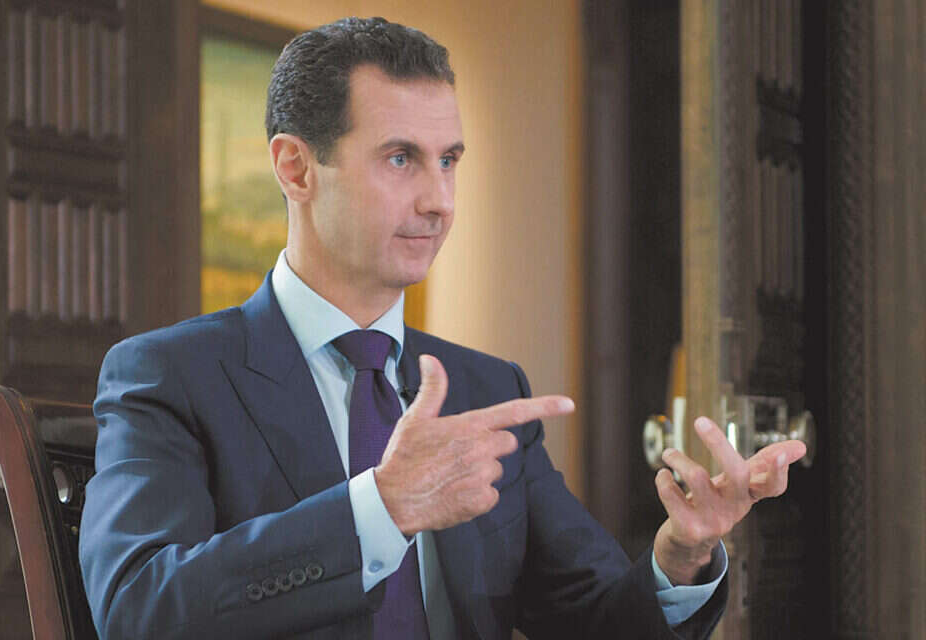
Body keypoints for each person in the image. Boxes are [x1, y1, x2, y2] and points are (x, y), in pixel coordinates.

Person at [79, 17, 805, 639]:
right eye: (401, 159)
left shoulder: (488, 390)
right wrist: (380, 510)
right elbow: (137, 610)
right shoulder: (169, 375)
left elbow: (599, 621)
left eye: (449, 161)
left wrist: (681, 554)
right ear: (296, 168)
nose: (439, 201)